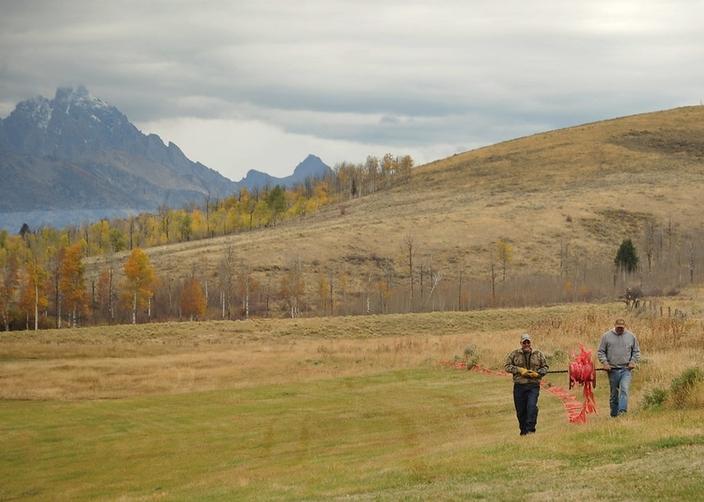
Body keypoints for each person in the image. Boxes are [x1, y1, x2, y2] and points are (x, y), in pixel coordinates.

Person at [504, 334, 549, 435]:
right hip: (519, 386)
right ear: (521, 343)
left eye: (528, 342)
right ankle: (523, 432)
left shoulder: (538, 354)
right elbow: (507, 366)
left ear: (531, 343)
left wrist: (538, 373)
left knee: (531, 407)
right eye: (524, 342)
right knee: (520, 411)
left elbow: (545, 367)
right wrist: (519, 370)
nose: (526, 344)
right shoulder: (514, 354)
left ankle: (530, 430)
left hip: (533, 386)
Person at [597, 318, 640, 417]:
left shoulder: (631, 337)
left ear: (625, 327)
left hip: (626, 370)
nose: (620, 329)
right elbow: (601, 351)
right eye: (618, 328)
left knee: (624, 389)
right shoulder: (606, 336)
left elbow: (636, 351)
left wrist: (632, 361)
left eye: (622, 328)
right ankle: (614, 414)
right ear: (614, 326)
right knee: (614, 393)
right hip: (612, 370)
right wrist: (605, 363)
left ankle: (622, 412)